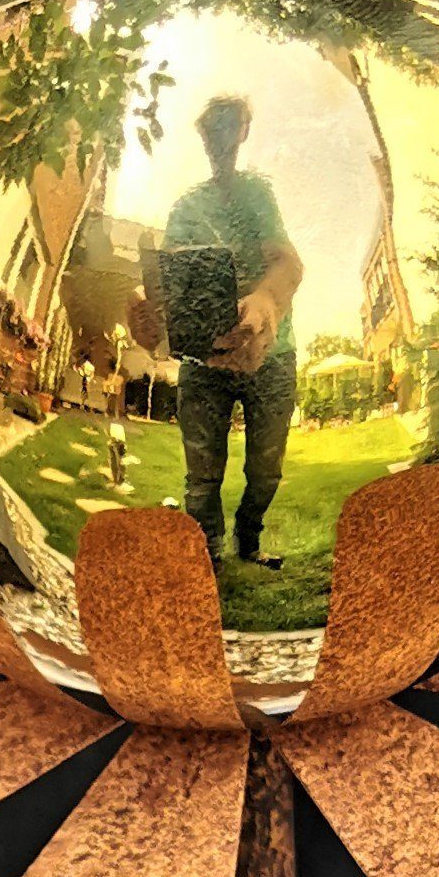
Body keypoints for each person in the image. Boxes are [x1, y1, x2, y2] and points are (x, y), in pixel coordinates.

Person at [135, 95, 303, 569]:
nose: (221, 136)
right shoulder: (187, 206)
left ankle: (247, 544)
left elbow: (288, 262)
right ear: (202, 134)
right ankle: (206, 556)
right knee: (201, 477)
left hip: (274, 355)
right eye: (213, 127)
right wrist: (152, 323)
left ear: (244, 131)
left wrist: (267, 302)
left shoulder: (257, 194)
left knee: (266, 470)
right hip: (202, 362)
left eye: (231, 125)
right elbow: (165, 287)